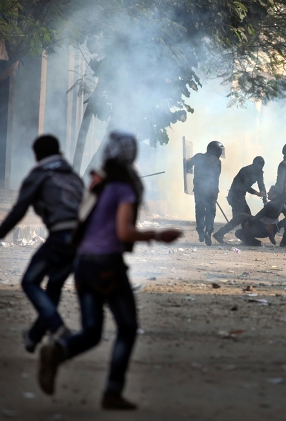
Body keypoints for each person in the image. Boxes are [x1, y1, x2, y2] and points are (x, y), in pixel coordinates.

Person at [37, 131, 182, 410]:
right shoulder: (124, 188)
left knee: (92, 332)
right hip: (107, 266)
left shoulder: (98, 184)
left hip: (83, 264)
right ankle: (112, 392)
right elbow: (123, 231)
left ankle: (58, 351)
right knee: (127, 328)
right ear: (132, 156)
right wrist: (158, 235)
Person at [0, 135, 83, 353]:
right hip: (81, 240)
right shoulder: (74, 177)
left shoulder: (39, 175)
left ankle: (57, 327)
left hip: (61, 236)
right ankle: (34, 336)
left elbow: (19, 210)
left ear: (37, 154)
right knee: (54, 285)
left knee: (30, 281)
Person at [214, 186, 286, 246]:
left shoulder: (271, 205)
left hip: (262, 230)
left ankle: (254, 242)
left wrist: (248, 223)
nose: (268, 193)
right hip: (263, 227)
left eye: (270, 192)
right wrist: (276, 228)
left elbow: (257, 217)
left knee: (238, 232)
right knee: (242, 216)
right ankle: (220, 234)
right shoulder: (282, 205)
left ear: (275, 195)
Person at [186, 141, 224, 245]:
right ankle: (208, 231)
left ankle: (200, 230)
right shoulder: (217, 162)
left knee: (200, 210)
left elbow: (188, 165)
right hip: (211, 190)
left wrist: (188, 161)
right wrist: (216, 191)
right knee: (211, 212)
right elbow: (216, 178)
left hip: (199, 189)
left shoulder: (198, 156)